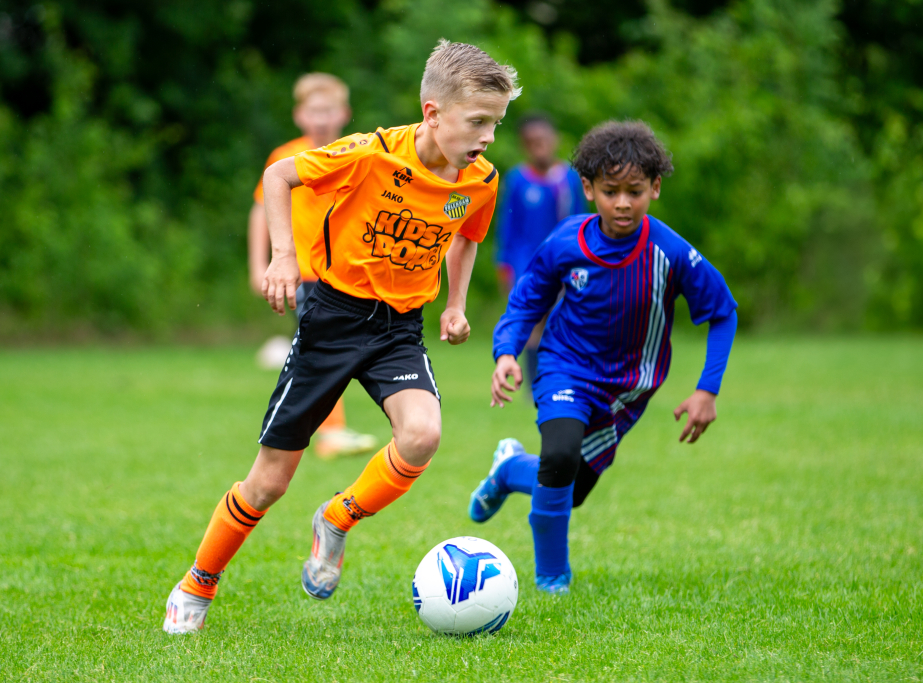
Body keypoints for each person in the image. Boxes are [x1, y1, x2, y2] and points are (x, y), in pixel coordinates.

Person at [163, 40, 520, 633]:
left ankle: (336, 518)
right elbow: (279, 176)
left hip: (398, 329)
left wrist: (456, 304)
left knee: (423, 434)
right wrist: (283, 256)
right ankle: (197, 584)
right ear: (433, 113)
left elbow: (467, 235)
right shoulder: (370, 153)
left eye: (496, 124)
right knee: (269, 482)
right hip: (331, 320)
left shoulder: (481, 179)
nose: (488, 137)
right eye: (478, 122)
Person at [468, 121, 738, 594]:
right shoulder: (565, 242)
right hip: (563, 366)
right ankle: (553, 578)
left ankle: (509, 469)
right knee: (559, 456)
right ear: (589, 189)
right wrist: (506, 352)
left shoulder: (670, 252)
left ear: (655, 188)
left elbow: (723, 312)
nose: (623, 203)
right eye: (611, 192)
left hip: (627, 390)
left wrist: (706, 390)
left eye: (635, 191)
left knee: (569, 490)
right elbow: (526, 302)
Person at [249, 72, 378, 460]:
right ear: (299, 115)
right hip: (302, 271)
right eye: (314, 111)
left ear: (344, 113)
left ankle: (314, 426)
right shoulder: (285, 157)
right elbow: (260, 211)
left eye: (328, 110)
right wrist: (260, 264)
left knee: (324, 345)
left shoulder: (356, 154)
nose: (321, 119)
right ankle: (330, 431)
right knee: (322, 342)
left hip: (344, 273)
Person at [494, 115, 587, 388]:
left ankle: (561, 379)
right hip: (527, 264)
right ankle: (533, 385)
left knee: (564, 320)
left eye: (543, 141)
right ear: (524, 146)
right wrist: (504, 264)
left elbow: (580, 221)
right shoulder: (517, 180)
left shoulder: (568, 180)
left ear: (555, 140)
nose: (539, 148)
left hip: (564, 262)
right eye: (532, 143)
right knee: (533, 320)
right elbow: (508, 226)